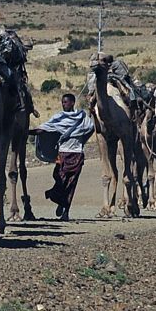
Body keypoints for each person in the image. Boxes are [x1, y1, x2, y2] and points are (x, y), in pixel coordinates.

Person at [41, 92, 90, 221]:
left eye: (66, 102)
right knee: (59, 178)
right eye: (62, 102)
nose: (63, 104)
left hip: (77, 154)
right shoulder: (59, 117)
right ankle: (58, 199)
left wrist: (82, 140)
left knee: (72, 183)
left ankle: (66, 211)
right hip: (62, 153)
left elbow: (90, 128)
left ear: (72, 103)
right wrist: (28, 132)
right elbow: (45, 128)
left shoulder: (82, 117)